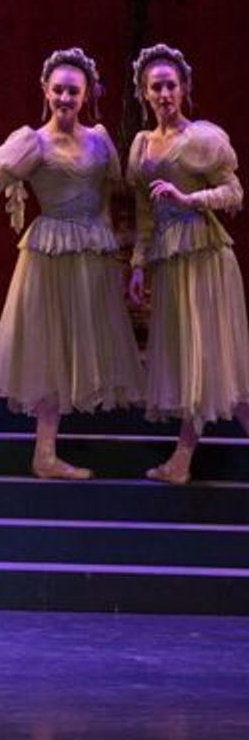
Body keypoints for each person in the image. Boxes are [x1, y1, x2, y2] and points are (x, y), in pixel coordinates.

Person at [0, 48, 143, 479]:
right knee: (13, 345)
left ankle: (45, 454)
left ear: (88, 94)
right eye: (57, 89)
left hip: (91, 259)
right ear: (45, 90)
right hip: (47, 253)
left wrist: (125, 254)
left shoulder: (99, 139)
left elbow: (117, 198)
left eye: (72, 91)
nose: (64, 97)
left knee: (61, 354)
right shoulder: (30, 142)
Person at [126, 43, 249, 484]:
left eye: (170, 85)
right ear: (144, 92)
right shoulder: (141, 145)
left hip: (205, 254)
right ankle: (181, 458)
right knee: (198, 362)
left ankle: (181, 460)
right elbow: (144, 212)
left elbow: (234, 193)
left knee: (210, 359)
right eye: (155, 86)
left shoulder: (203, 138)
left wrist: (189, 198)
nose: (163, 93)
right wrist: (139, 265)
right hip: (169, 259)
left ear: (184, 89)